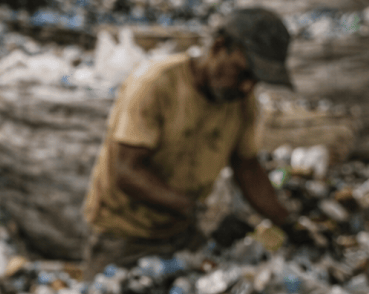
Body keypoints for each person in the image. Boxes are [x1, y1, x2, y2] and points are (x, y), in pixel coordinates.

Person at [82, 8, 301, 279]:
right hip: (125, 236)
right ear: (219, 47)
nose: (247, 87)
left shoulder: (242, 104)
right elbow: (127, 170)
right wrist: (201, 212)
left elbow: (247, 168)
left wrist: (288, 222)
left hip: (182, 232)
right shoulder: (156, 83)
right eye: (243, 73)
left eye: (255, 81)